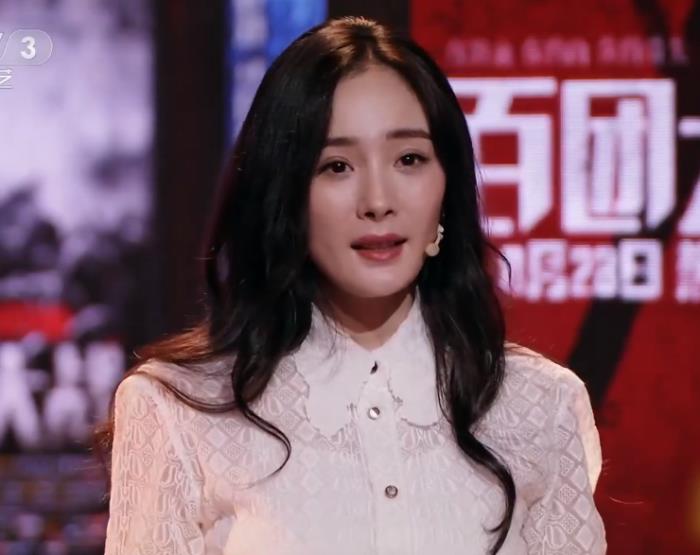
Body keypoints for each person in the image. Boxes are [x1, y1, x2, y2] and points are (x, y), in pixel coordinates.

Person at [99, 16, 607, 555]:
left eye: (409, 159)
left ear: (448, 184)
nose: (378, 201)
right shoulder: (179, 409)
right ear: (284, 192)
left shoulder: (540, 403)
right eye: (336, 166)